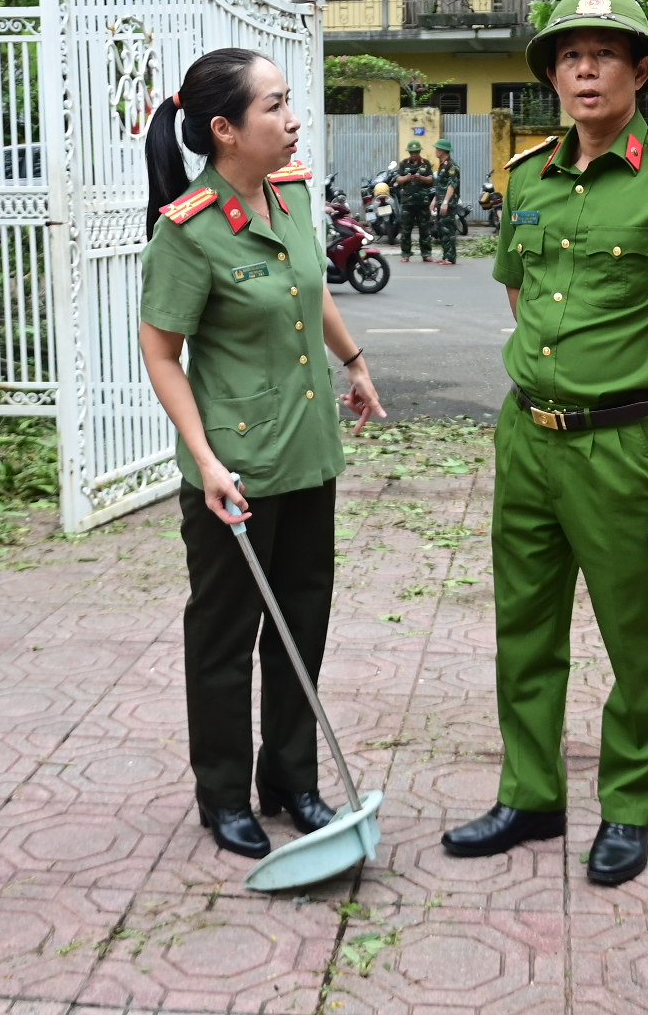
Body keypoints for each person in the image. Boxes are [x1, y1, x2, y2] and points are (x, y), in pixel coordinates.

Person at [443, 0, 648, 886]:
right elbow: (518, 292)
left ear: (640, 70)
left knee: (638, 636)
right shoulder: (528, 176)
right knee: (523, 629)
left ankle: (629, 807)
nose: (584, 70)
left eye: (604, 54)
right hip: (526, 437)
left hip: (621, 444)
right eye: (569, 56)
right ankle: (531, 795)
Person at [138, 49, 386, 861]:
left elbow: (308, 295)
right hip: (233, 471)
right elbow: (162, 354)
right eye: (275, 105)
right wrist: (202, 458)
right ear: (224, 129)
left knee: (299, 625)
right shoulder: (188, 232)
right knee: (225, 635)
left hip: (309, 453)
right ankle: (222, 794)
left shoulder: (293, 193)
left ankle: (291, 779)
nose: (292, 118)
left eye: (288, 102)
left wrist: (353, 363)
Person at [393, 138, 436, 262]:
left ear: (419, 152)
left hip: (422, 202)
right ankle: (405, 254)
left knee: (425, 230)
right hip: (408, 203)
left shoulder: (426, 163)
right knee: (406, 229)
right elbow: (398, 180)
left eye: (416, 152)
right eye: (412, 152)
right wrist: (407, 177)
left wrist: (420, 177)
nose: (414, 154)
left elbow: (431, 180)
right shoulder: (403, 163)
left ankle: (426, 254)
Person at [430, 138, 462, 265]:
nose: (435, 151)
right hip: (441, 201)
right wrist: (434, 200)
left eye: (437, 149)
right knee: (442, 230)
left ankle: (450, 257)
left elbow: (451, 185)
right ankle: (445, 256)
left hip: (448, 203)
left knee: (448, 230)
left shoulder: (452, 166)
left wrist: (445, 202)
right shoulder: (443, 165)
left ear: (443, 150)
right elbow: (440, 186)